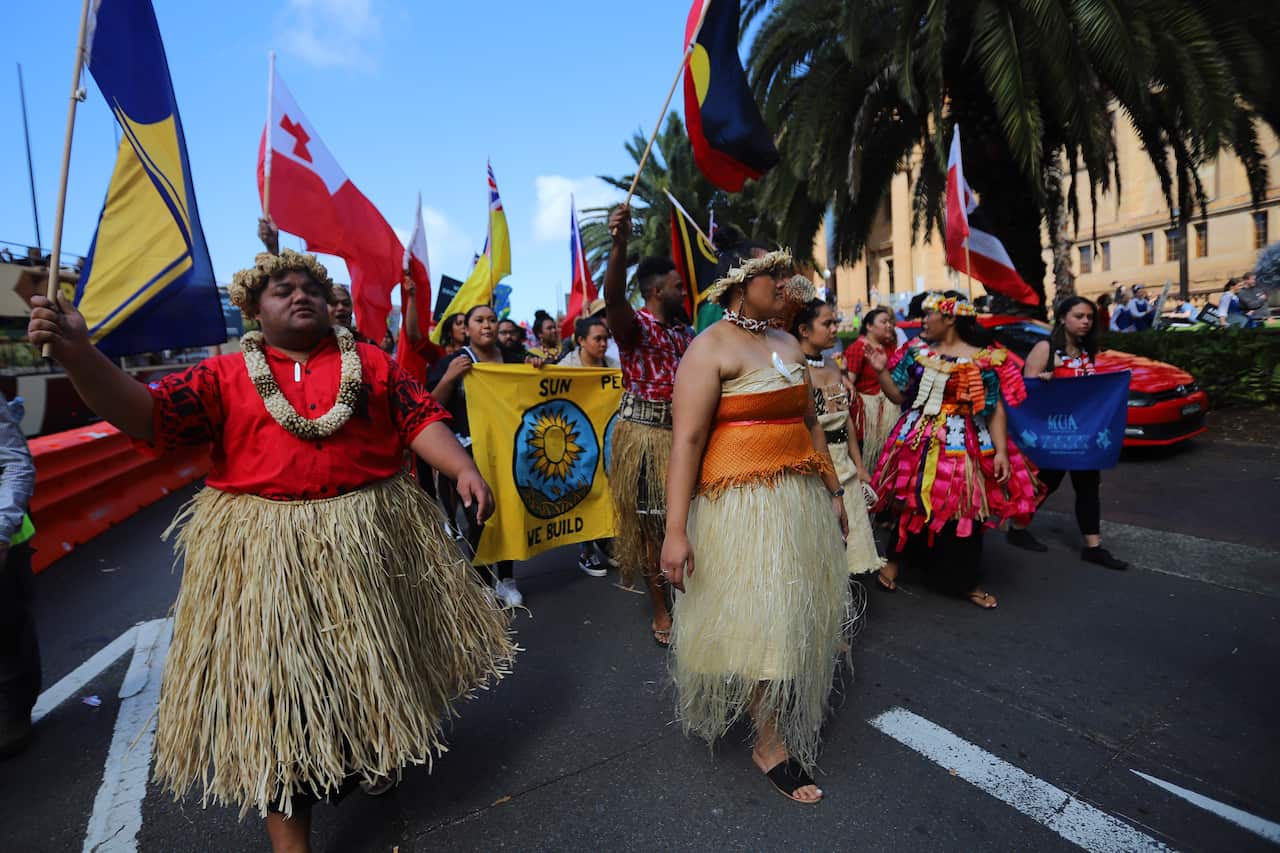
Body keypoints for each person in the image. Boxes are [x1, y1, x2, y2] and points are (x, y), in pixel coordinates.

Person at [27, 249, 514, 852]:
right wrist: (80, 355)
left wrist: (462, 466)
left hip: (371, 545)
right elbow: (150, 417)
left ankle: (376, 745)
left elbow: (418, 419)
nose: (300, 294)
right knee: (280, 702)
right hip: (265, 561)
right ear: (254, 309)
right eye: (282, 289)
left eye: (310, 285)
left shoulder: (371, 363)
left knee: (372, 672)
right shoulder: (223, 377)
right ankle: (291, 841)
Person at [661, 250, 854, 805]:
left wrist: (835, 493)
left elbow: (811, 423)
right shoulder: (709, 349)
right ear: (741, 286)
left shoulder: (789, 342)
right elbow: (688, 443)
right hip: (741, 509)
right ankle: (769, 742)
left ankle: (770, 720)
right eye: (774, 275)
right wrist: (677, 532)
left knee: (793, 615)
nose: (786, 283)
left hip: (800, 503)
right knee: (764, 625)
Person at [868, 292, 1042, 607]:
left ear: (949, 318)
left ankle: (964, 580)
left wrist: (1001, 451)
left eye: (927, 315)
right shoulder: (917, 351)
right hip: (917, 437)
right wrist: (880, 370)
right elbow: (897, 396)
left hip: (966, 440)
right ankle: (895, 563)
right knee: (911, 501)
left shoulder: (985, 357)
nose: (921, 321)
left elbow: (994, 408)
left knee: (966, 508)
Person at [603, 206, 693, 647]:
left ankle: (692, 595)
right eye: (677, 286)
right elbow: (614, 299)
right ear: (657, 291)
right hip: (643, 439)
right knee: (649, 526)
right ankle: (661, 607)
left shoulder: (686, 333)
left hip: (683, 438)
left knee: (688, 521)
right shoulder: (634, 327)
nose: (684, 290)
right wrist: (619, 245)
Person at [427, 304, 542, 608]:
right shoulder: (454, 361)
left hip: (509, 451)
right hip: (469, 452)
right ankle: (482, 583)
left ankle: (507, 579)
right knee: (479, 518)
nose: (487, 326)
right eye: (479, 320)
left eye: (492, 319)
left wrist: (537, 367)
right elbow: (430, 406)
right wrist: (450, 378)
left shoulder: (513, 357)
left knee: (508, 516)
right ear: (467, 328)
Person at [1008, 297, 1130, 570]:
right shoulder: (1045, 348)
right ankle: (1017, 527)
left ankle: (1093, 547)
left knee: (1088, 486)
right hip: (1051, 435)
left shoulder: (1087, 351)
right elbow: (1025, 392)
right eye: (1079, 316)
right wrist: (1043, 381)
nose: (1086, 321)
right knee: (1045, 483)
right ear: (1062, 318)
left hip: (1082, 435)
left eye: (1089, 317)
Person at [792, 298, 882, 577]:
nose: (835, 328)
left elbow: (846, 424)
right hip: (817, 469)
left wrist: (861, 466)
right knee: (821, 543)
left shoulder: (833, 365)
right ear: (804, 330)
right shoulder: (795, 370)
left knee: (849, 539)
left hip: (846, 465)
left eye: (835, 322)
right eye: (827, 323)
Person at [559, 316, 619, 576]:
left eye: (606, 338)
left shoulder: (614, 366)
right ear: (581, 341)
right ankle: (586, 552)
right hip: (578, 441)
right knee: (584, 492)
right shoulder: (565, 368)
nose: (604, 344)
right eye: (598, 339)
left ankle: (608, 540)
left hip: (607, 441)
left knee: (609, 491)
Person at [0, 393, 37, 758]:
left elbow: (15, 463)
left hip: (5, 540)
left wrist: (1, 530)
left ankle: (16, 715)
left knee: (9, 632)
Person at [842, 307, 901, 469]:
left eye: (890, 322)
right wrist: (842, 373)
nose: (888, 325)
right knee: (871, 459)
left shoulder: (889, 346)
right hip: (868, 417)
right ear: (869, 326)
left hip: (889, 411)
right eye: (883, 322)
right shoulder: (858, 348)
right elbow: (849, 383)